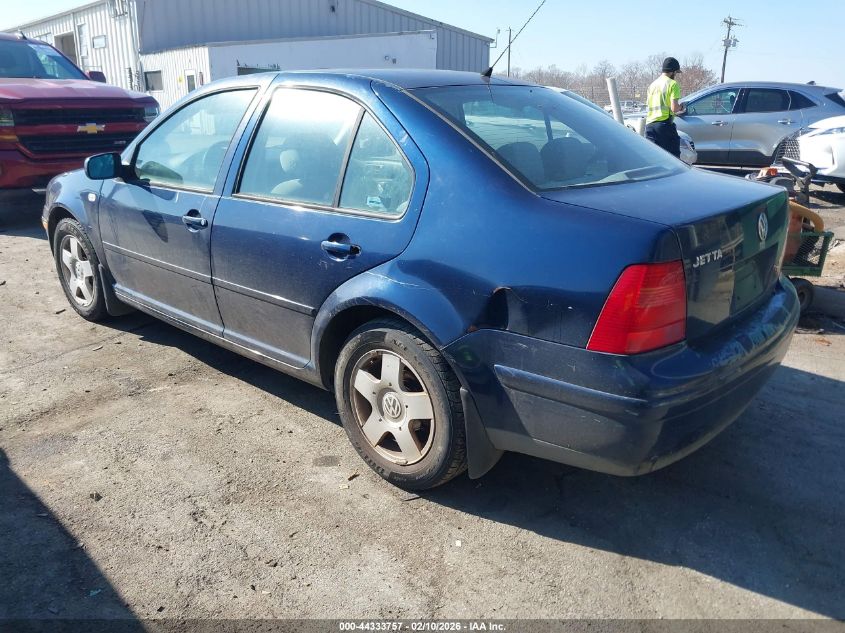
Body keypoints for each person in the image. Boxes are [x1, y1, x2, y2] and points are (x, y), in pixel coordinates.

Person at [645, 57, 684, 158]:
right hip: (664, 127)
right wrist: (681, 107)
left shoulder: (652, 85)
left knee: (654, 159)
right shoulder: (673, 84)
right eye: (676, 73)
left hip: (650, 126)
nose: (676, 75)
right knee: (674, 160)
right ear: (673, 72)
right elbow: (674, 108)